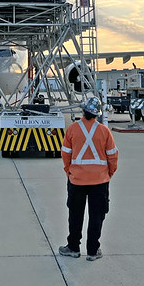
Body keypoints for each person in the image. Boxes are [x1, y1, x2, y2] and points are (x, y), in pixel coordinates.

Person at [59, 97, 118, 261]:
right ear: (97, 114)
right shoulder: (105, 131)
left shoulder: (72, 129)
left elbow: (65, 154)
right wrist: (109, 173)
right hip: (100, 181)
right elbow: (113, 156)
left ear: (83, 111)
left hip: (77, 180)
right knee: (97, 215)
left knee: (75, 214)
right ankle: (92, 250)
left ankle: (73, 248)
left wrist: (69, 172)